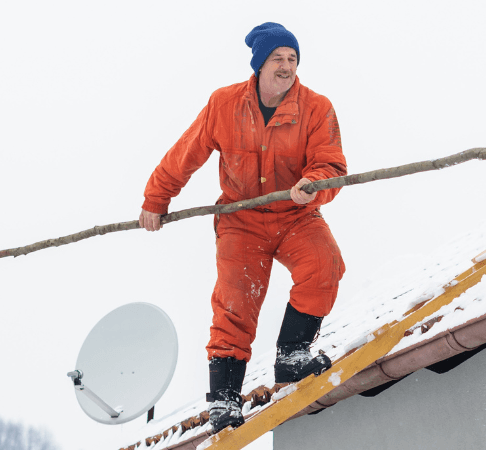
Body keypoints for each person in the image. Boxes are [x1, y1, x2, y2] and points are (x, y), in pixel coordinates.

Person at [138, 22, 346, 434]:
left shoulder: (317, 108)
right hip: (241, 220)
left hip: (295, 214)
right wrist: (155, 200)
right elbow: (185, 154)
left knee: (325, 265)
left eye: (292, 58)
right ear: (259, 65)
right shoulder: (225, 104)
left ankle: (292, 355)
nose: (286, 66)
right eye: (278, 58)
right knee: (235, 303)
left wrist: (314, 184)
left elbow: (331, 164)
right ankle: (224, 399)